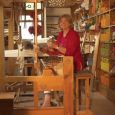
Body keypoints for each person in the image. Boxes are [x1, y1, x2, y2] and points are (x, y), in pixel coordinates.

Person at [42, 14, 83, 107]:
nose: (62, 23)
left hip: (74, 62)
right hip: (63, 61)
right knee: (47, 70)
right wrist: (47, 50)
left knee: (51, 71)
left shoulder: (74, 34)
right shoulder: (60, 34)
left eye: (65, 21)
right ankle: (50, 97)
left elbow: (69, 52)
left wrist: (55, 46)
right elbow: (56, 51)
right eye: (61, 21)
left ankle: (60, 96)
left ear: (69, 23)